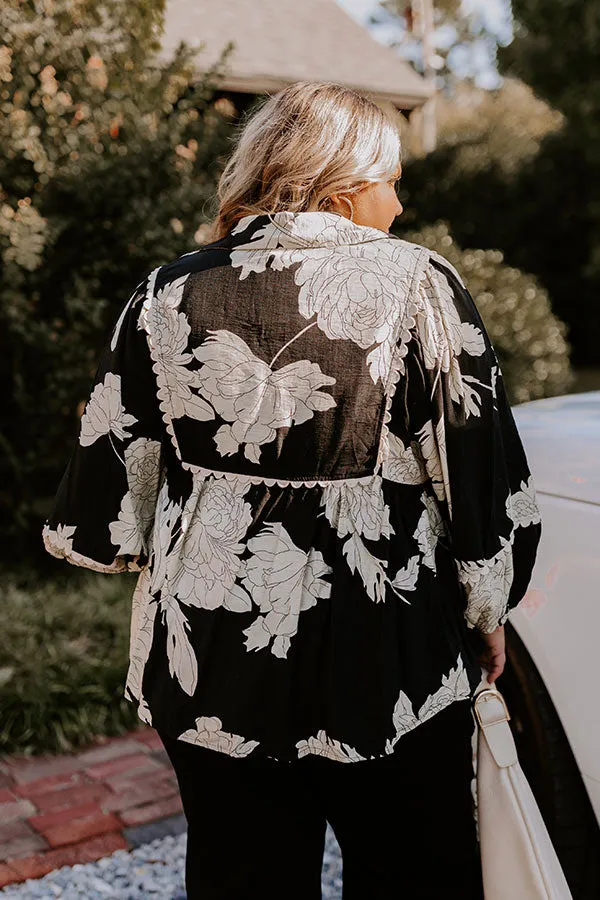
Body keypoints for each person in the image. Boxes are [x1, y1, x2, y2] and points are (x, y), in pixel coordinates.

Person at [42, 81, 542, 899]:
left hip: (207, 655)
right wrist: (487, 606)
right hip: (385, 649)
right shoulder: (417, 284)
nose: (398, 200)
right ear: (344, 186)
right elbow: (478, 471)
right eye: (391, 180)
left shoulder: (165, 291)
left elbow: (112, 503)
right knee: (413, 872)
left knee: (244, 875)